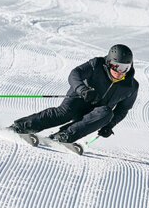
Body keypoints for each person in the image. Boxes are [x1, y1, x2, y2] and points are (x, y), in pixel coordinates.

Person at [9, 44, 139, 143]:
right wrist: (83, 90)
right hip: (80, 99)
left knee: (106, 113)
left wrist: (110, 125)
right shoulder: (97, 64)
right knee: (63, 114)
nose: (120, 72)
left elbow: (122, 110)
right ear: (109, 62)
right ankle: (20, 127)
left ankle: (63, 136)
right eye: (116, 66)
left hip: (96, 113)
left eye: (125, 68)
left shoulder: (131, 86)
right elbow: (75, 74)